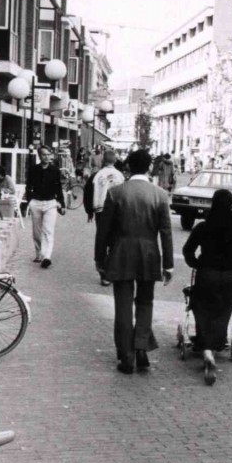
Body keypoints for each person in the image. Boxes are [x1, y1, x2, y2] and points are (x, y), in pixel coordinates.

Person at [95, 149, 174, 374]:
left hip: (121, 253)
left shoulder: (115, 193)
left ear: (128, 167)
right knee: (145, 302)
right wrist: (168, 264)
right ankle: (141, 347)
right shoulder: (160, 195)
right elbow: (166, 232)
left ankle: (126, 356)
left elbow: (103, 231)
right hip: (149, 255)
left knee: (122, 306)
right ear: (149, 167)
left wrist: (99, 258)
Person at [182, 189, 232, 385]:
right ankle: (217, 342)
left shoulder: (203, 227)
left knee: (202, 308)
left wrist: (196, 263)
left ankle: (207, 351)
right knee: (223, 310)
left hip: (207, 273)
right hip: (229, 276)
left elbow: (188, 250)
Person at [24, 145, 66, 268]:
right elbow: (28, 186)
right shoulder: (33, 169)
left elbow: (58, 188)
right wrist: (29, 200)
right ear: (39, 156)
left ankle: (47, 256)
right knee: (36, 232)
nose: (47, 157)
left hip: (50, 203)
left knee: (48, 231)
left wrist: (62, 204)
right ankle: (39, 254)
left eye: (49, 154)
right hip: (36, 203)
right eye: (44, 154)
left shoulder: (55, 170)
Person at [91, 150, 125, 286]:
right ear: (115, 160)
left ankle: (103, 271)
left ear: (103, 160)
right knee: (115, 241)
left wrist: (90, 211)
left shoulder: (98, 175)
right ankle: (112, 269)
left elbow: (91, 191)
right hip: (116, 211)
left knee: (102, 239)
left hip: (100, 210)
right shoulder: (120, 175)